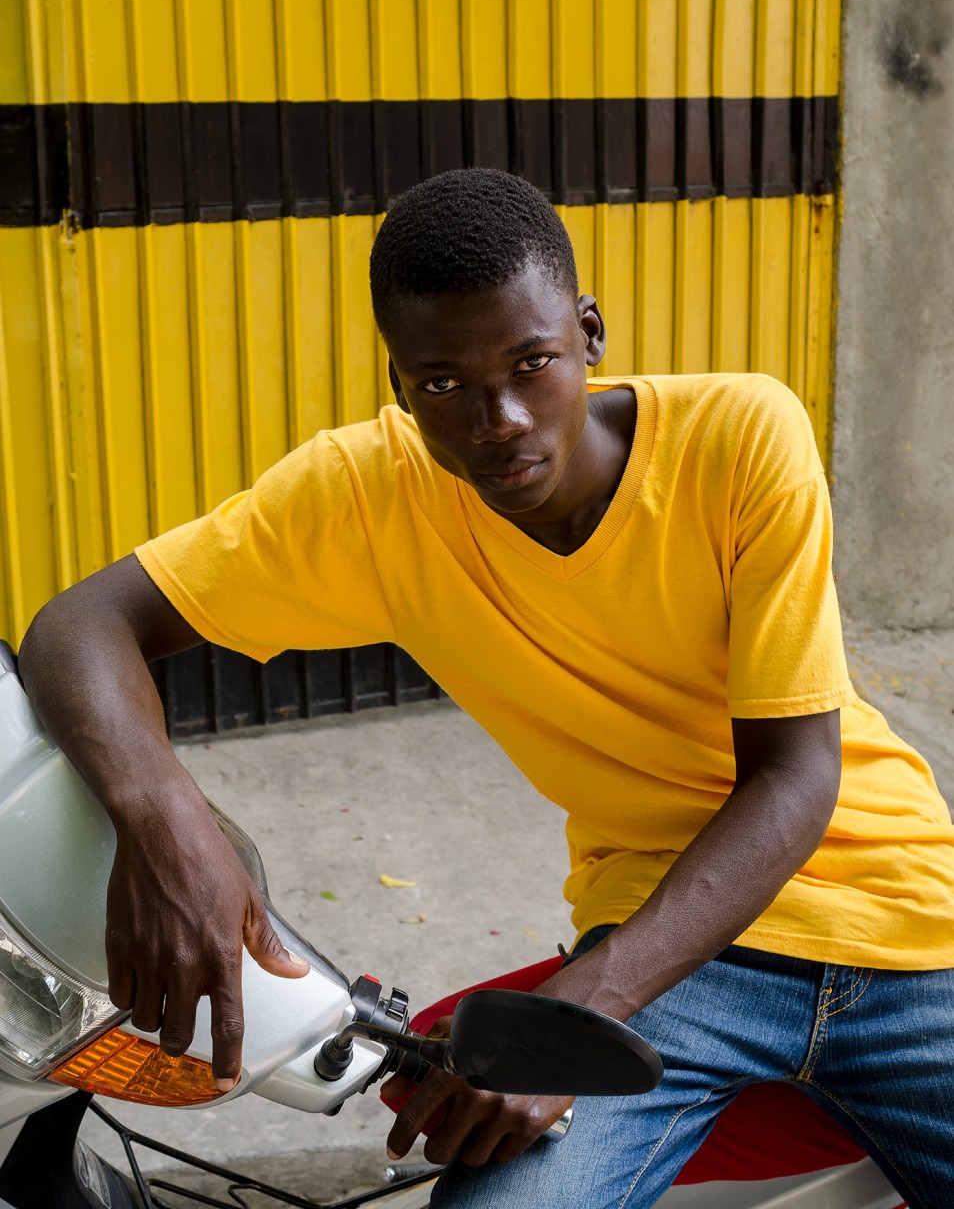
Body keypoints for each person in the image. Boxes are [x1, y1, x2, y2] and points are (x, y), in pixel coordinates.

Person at [18, 168, 954, 1209]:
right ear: (402, 380)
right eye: (443, 383)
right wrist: (166, 822)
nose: (498, 417)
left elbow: (794, 784)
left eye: (531, 362)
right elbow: (80, 624)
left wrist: (577, 1018)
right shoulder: (371, 497)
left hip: (903, 925)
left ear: (589, 332)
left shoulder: (741, 440)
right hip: (671, 951)